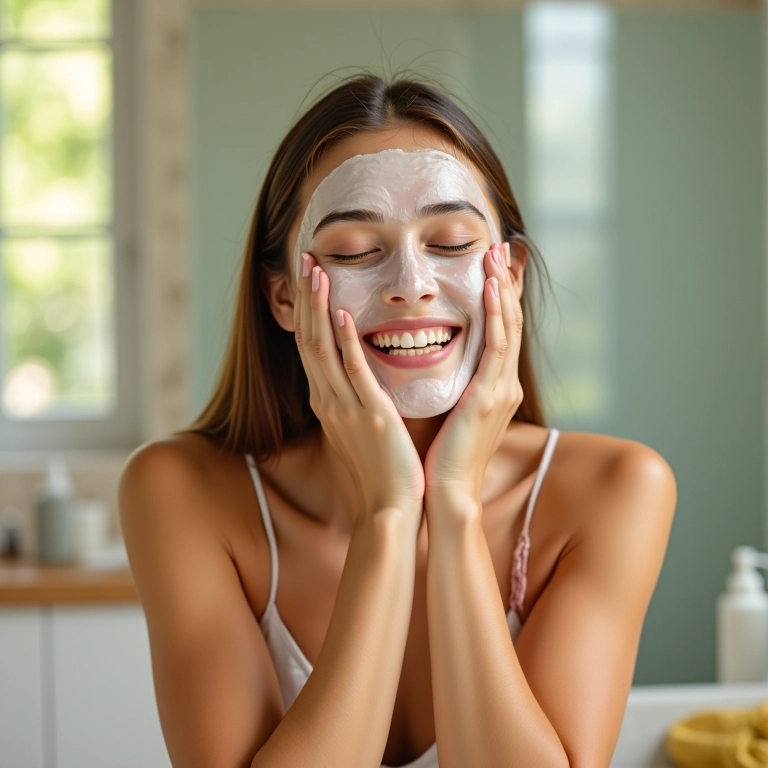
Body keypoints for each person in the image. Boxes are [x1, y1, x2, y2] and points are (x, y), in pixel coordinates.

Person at [119, 74, 677, 768]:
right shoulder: (179, 490)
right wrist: (388, 513)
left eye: (450, 242)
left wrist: (454, 507)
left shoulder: (618, 488)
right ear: (285, 296)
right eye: (354, 250)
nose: (410, 283)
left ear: (512, 276)